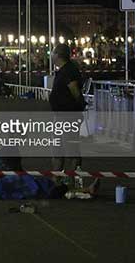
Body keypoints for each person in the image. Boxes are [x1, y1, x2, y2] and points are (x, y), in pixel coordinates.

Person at [48, 44, 85, 176]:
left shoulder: (68, 71)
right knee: (58, 148)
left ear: (58, 55)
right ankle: (59, 177)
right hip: (62, 115)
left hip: (67, 116)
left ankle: (70, 178)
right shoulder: (65, 70)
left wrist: (78, 109)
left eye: (52, 53)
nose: (51, 56)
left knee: (70, 149)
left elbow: (75, 92)